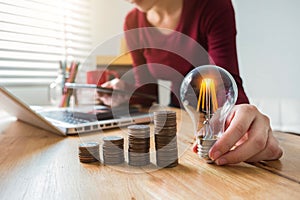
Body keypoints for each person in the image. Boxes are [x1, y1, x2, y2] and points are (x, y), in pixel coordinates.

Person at [98, 0, 283, 165]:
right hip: (178, 114)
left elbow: (226, 80)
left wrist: (240, 112)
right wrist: (123, 93)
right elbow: (149, 91)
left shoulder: (212, 5)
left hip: (213, 112)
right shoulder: (132, 22)